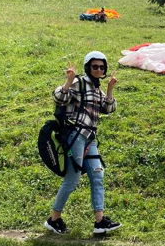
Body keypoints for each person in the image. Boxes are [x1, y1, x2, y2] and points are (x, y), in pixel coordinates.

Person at [44, 51, 121, 235]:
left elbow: (109, 108)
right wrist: (69, 80)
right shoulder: (79, 82)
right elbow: (59, 97)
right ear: (88, 67)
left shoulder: (96, 88)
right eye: (95, 66)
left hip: (89, 138)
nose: (99, 70)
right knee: (73, 178)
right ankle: (54, 220)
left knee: (98, 175)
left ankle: (100, 222)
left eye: (102, 67)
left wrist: (110, 88)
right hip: (75, 135)